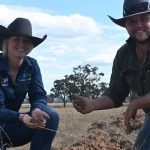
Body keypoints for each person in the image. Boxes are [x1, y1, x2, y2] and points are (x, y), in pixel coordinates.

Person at [73, 0, 150, 149]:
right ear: (126, 26)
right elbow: (115, 93)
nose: (139, 25)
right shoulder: (123, 55)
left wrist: (135, 103)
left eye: (144, 19)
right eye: (132, 21)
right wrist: (92, 104)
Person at [0, 17, 59, 150]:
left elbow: (38, 95)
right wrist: (20, 117)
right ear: (6, 42)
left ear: (31, 46)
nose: (21, 44)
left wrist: (37, 111)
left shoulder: (32, 66)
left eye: (26, 41)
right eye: (16, 39)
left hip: (12, 128)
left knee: (51, 116)